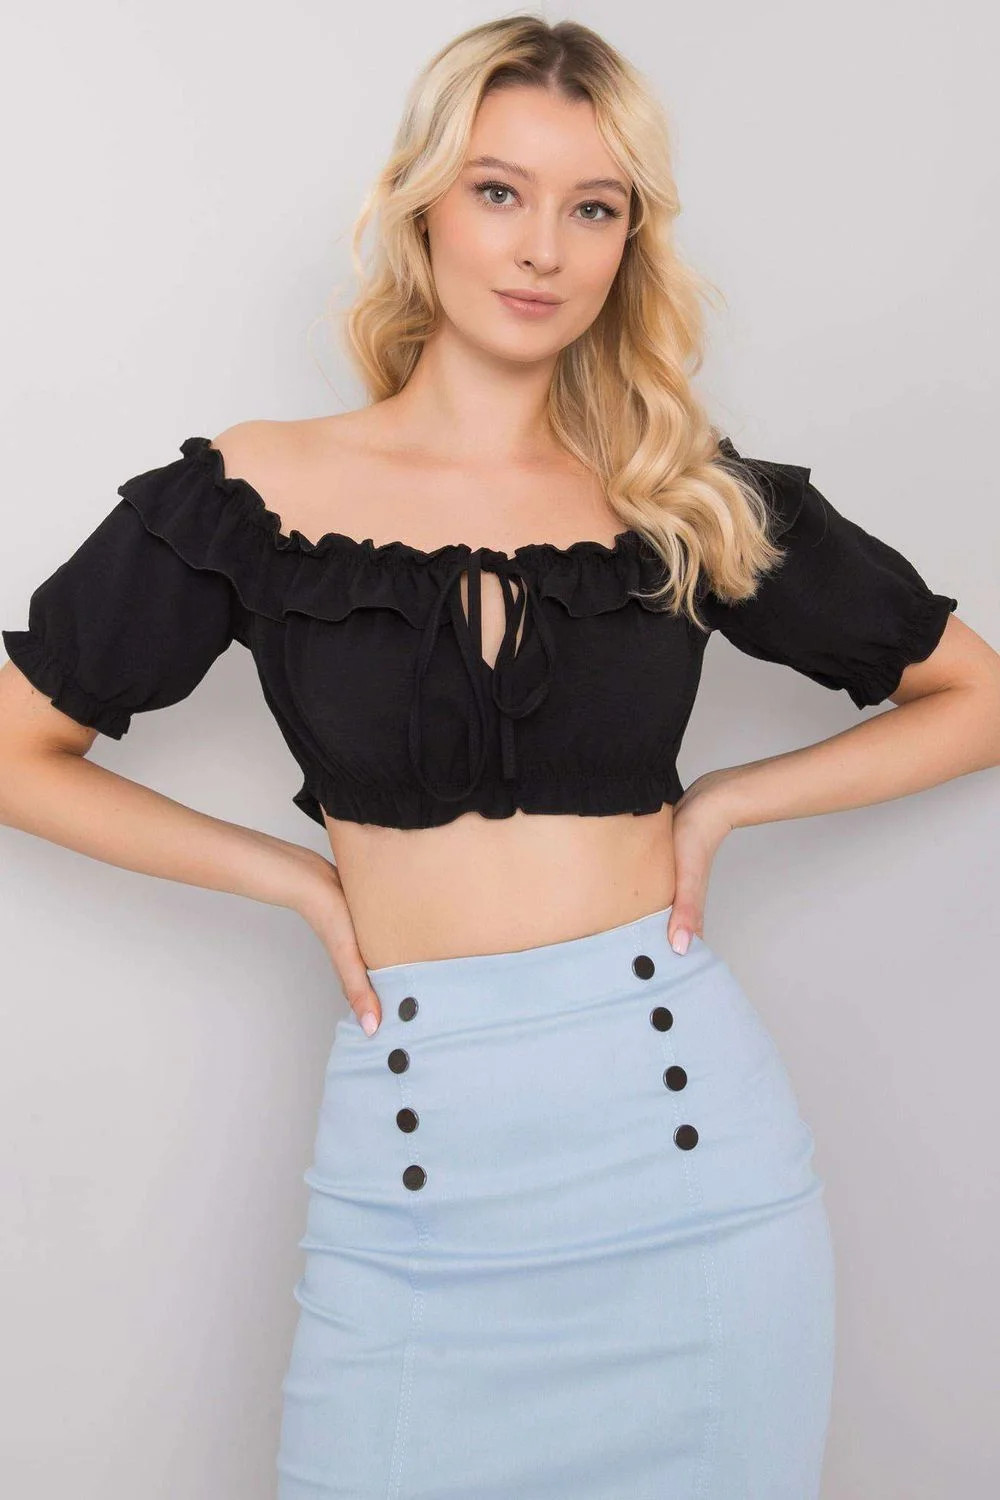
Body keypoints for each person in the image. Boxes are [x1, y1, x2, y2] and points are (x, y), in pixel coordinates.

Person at [2, 16, 996, 1500]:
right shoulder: (254, 491)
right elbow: (19, 746)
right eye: (498, 192)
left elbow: (975, 696)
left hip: (692, 1180)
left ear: (629, 244)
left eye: (593, 207)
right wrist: (299, 882)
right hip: (410, 1198)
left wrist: (727, 803)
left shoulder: (682, 493)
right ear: (422, 208)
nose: (542, 248)